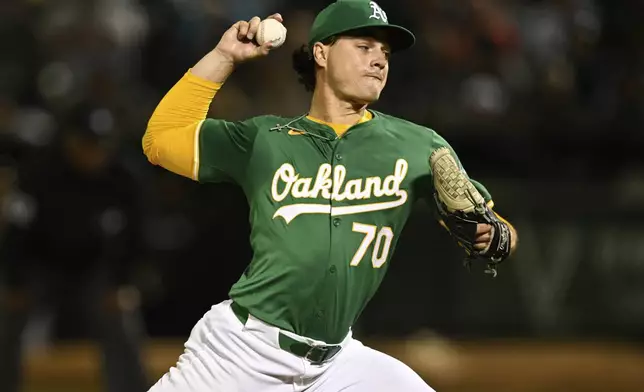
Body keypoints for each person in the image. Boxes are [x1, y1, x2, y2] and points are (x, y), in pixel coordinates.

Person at [143, 1, 518, 391]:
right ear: (321, 52)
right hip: (242, 353)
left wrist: (495, 237)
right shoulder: (265, 140)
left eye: (385, 53)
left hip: (337, 362)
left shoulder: (418, 146)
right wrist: (224, 57)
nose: (379, 60)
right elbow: (161, 139)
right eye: (364, 46)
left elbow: (496, 226)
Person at [0, 104, 149, 392]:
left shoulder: (123, 178)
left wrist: (123, 283)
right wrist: (15, 281)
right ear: (70, 140)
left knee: (122, 319)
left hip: (95, 269)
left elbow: (137, 238)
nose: (93, 151)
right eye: (87, 143)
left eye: (100, 144)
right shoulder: (39, 174)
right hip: (42, 266)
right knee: (7, 316)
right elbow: (17, 232)